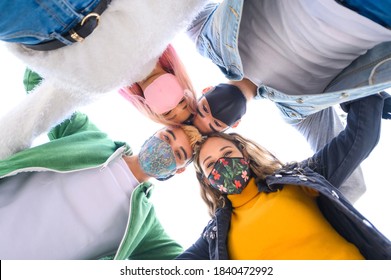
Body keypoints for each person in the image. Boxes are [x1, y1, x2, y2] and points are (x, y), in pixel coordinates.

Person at [186, 0, 391, 202]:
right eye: (216, 124)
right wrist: (363, 99)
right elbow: (351, 185)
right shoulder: (298, 114)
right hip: (377, 16)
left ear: (206, 90)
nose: (213, 113)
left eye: (204, 109)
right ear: (235, 125)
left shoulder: (206, 36)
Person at [0, 70, 202, 260]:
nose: (165, 150)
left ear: (179, 170)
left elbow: (187, 267)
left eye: (177, 153)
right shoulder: (88, 138)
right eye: (167, 137)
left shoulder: (143, 225)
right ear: (154, 133)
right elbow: (40, 83)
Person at [177, 92, 391, 260]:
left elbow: (358, 138)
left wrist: (365, 86)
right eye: (211, 164)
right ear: (205, 180)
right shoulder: (213, 239)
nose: (223, 165)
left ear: (244, 154)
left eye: (227, 154)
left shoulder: (298, 180)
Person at [0, 0, 207, 160]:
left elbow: (30, 121)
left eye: (169, 113)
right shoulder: (168, 23)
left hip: (32, 26)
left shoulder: (97, 89)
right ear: (183, 82)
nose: (171, 102)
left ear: (151, 111)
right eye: (181, 101)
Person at [118, 44, 197, 125]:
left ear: (150, 109)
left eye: (167, 112)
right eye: (181, 101)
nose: (169, 100)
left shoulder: (114, 77)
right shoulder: (159, 41)